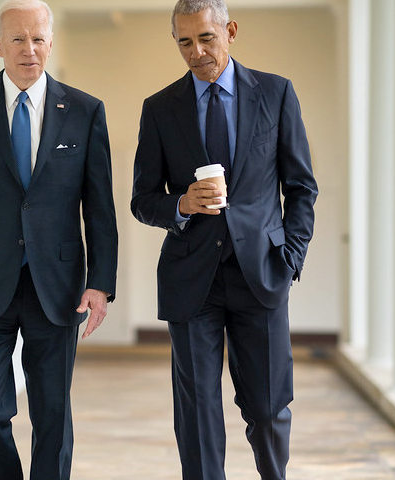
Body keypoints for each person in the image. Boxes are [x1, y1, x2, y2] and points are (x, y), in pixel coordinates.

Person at [0, 0, 118, 478]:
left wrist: (100, 283)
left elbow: (99, 207)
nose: (29, 50)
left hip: (58, 285)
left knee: (52, 413)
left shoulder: (86, 112)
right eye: (17, 39)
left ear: (51, 43)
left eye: (38, 39)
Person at [130, 0, 318, 478]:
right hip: (192, 282)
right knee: (197, 415)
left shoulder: (275, 94)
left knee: (270, 407)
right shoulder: (158, 109)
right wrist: (181, 204)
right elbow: (142, 199)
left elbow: (300, 188)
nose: (196, 52)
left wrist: (291, 257)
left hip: (262, 274)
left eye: (206, 39)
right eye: (184, 42)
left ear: (230, 31)